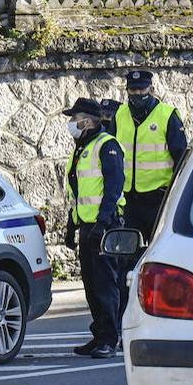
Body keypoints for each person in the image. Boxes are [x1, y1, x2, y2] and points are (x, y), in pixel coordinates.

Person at [112, 70, 187, 317]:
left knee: (161, 258)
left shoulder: (167, 116)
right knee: (126, 262)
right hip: (130, 201)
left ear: (151, 89)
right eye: (133, 91)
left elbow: (181, 159)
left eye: (142, 90)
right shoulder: (120, 115)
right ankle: (128, 316)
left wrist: (173, 194)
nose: (137, 95)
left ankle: (163, 313)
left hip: (159, 200)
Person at [63, 97, 126, 360]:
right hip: (87, 226)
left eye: (75, 119)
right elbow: (78, 191)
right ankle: (99, 334)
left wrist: (102, 222)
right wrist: (71, 224)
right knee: (90, 285)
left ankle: (110, 339)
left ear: (88, 121)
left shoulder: (107, 146)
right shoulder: (82, 147)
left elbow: (114, 187)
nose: (71, 124)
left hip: (105, 226)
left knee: (105, 285)